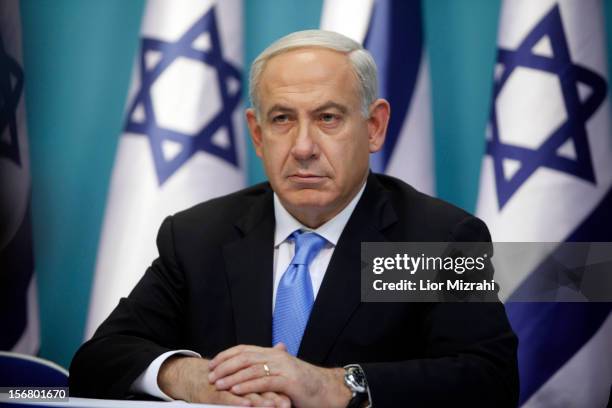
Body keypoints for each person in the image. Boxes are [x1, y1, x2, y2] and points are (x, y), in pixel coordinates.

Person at [70, 30, 518, 407]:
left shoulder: (433, 240)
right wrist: (196, 380)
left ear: (374, 127)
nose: (303, 146)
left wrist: (334, 385)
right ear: (257, 133)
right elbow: (100, 359)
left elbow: (489, 380)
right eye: (282, 119)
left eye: (327, 117)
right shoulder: (198, 236)